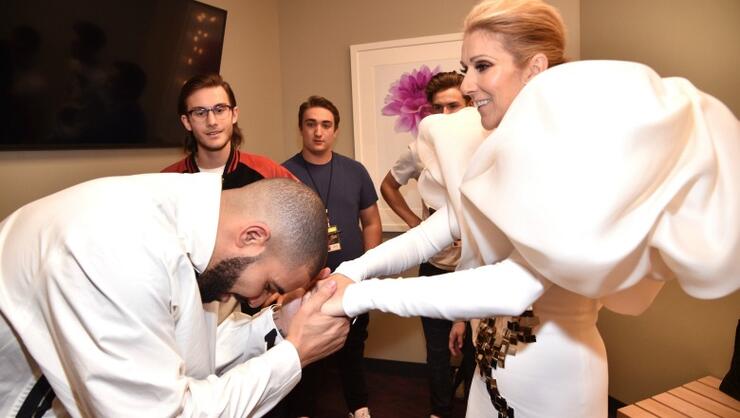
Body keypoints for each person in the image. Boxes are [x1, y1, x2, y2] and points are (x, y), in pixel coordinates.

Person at [320, 1, 740, 417]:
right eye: (466, 68)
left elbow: (513, 285)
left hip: (557, 386)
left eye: (482, 66)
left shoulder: (577, 156)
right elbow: (436, 231)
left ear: (535, 68)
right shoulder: (493, 150)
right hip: (488, 374)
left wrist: (360, 296)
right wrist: (352, 271)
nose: (467, 85)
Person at [0, 175, 350, 417]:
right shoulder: (120, 251)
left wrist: (278, 324)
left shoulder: (191, 226)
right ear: (253, 237)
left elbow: (173, 355)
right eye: (271, 285)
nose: (260, 300)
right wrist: (294, 355)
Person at [279, 96, 382, 418]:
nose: (318, 132)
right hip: (305, 284)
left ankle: (358, 405)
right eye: (311, 124)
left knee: (353, 347)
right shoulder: (283, 173)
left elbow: (372, 222)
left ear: (336, 130)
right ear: (300, 128)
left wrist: (369, 268)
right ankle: (302, 409)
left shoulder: (355, 171)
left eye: (326, 125)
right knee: (305, 350)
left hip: (351, 279)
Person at [379, 71, 474, 418]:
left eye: (453, 106)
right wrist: (415, 225)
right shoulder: (419, 150)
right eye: (438, 108)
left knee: (475, 349)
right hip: (435, 267)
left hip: (476, 269)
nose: (445, 115)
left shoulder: (484, 144)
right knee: (437, 351)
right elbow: (388, 186)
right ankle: (440, 410)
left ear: (469, 105)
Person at [162, 73, 295, 316]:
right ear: (186, 121)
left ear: (234, 114)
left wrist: (288, 287)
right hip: (191, 313)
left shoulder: (268, 173)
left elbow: (304, 232)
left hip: (256, 313)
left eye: (219, 109)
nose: (212, 121)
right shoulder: (168, 182)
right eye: (200, 112)